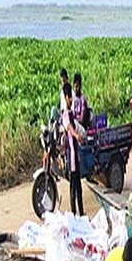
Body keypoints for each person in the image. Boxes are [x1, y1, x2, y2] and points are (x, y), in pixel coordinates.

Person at [61, 82, 85, 215]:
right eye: (68, 97)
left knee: (79, 188)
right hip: (71, 158)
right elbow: (69, 127)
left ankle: (81, 213)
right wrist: (77, 136)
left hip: (76, 155)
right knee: (73, 189)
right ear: (65, 98)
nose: (70, 99)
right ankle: (74, 213)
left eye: (71, 96)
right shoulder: (65, 115)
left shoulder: (71, 113)